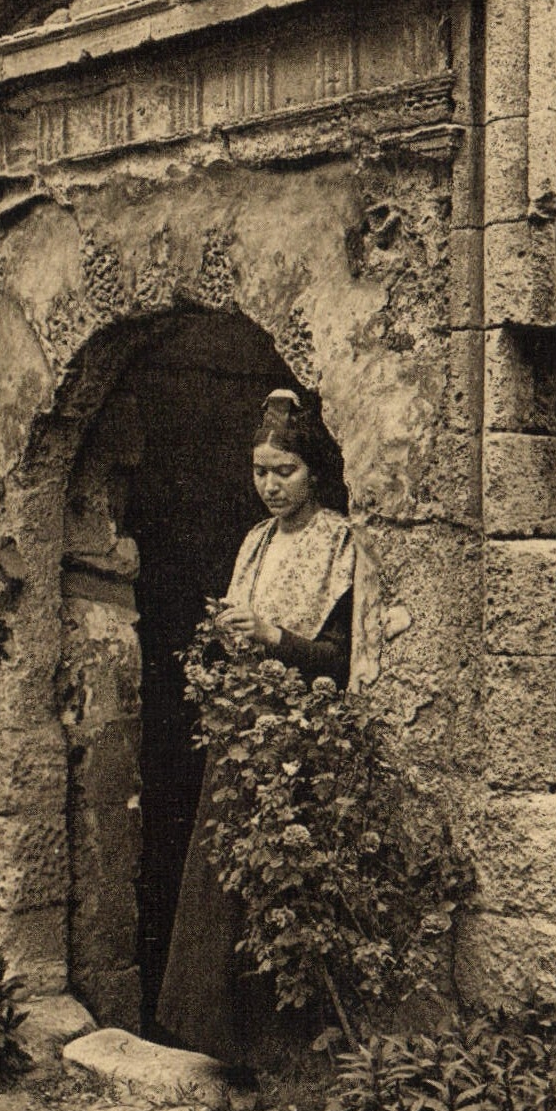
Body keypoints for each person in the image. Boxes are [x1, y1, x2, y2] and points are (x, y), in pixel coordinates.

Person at [154, 389, 380, 1068]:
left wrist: (272, 633)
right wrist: (229, 633)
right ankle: (223, 1046)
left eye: (283, 471)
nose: (270, 486)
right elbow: (237, 631)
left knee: (280, 889)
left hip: (298, 739)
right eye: (260, 472)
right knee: (222, 886)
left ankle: (283, 1056)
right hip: (244, 730)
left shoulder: (337, 540)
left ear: (312, 470)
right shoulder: (254, 541)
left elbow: (340, 657)